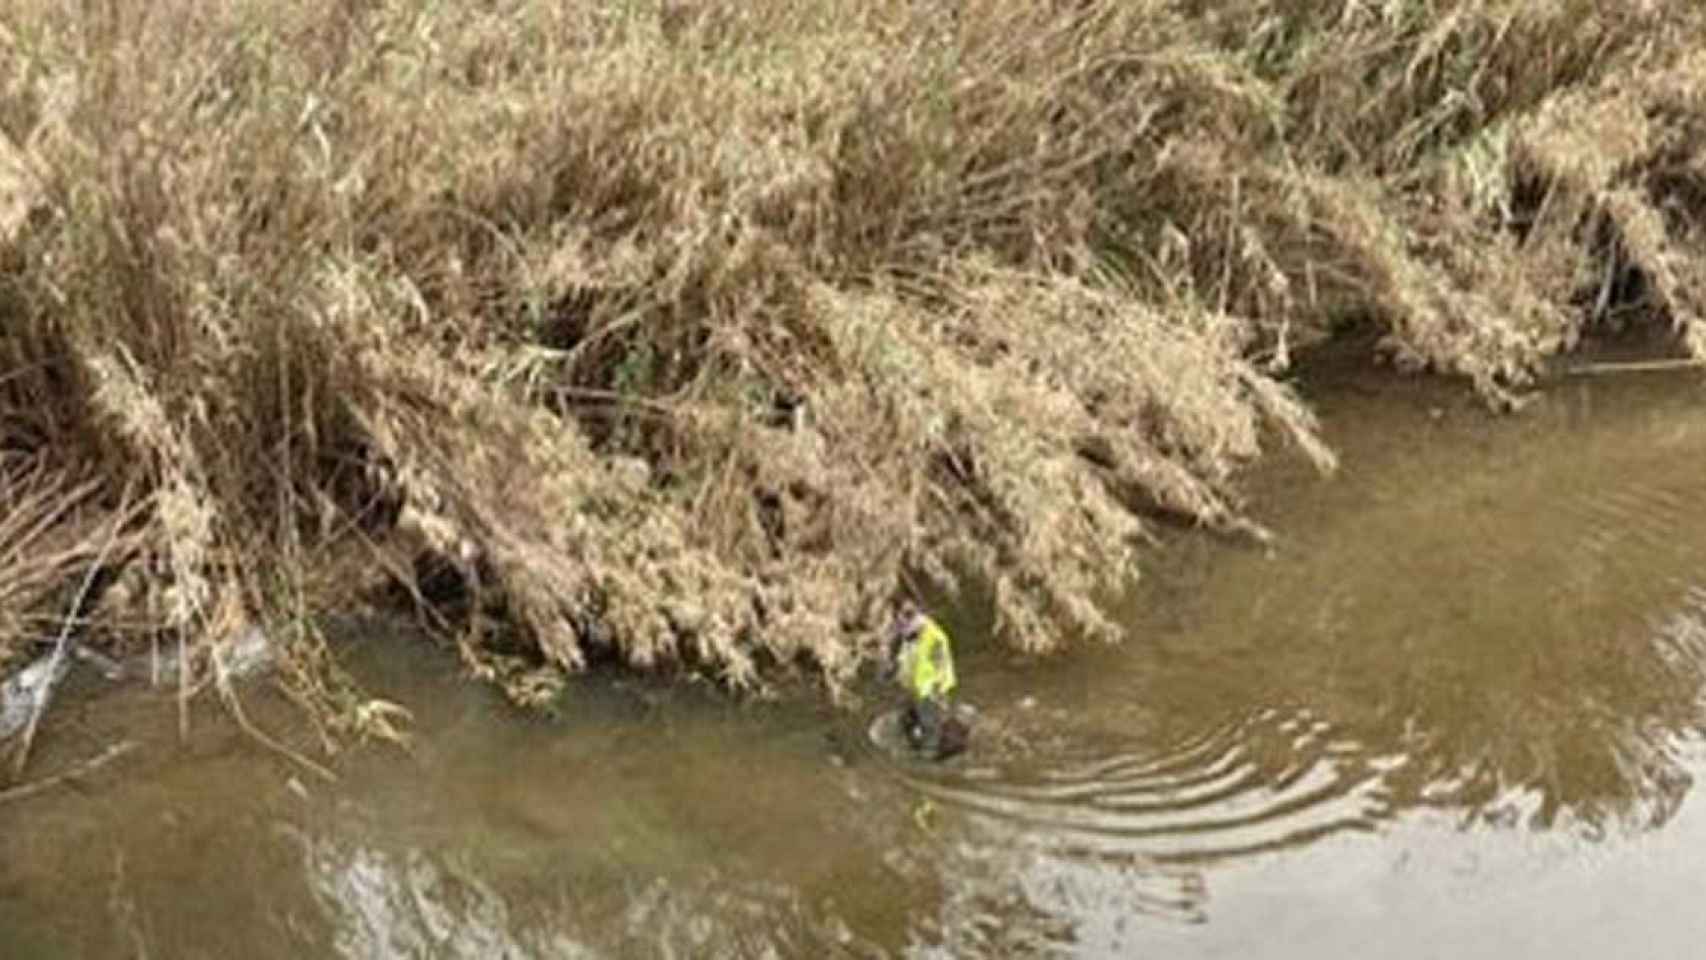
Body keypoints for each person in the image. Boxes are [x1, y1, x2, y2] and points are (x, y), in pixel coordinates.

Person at [886, 600, 962, 760]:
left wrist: (938, 690)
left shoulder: (935, 638)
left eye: (908, 617)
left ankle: (931, 757)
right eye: (900, 618)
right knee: (907, 719)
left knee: (930, 726)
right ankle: (911, 742)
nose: (902, 624)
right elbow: (904, 657)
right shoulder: (906, 634)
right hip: (914, 688)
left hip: (930, 692)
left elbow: (942, 665)